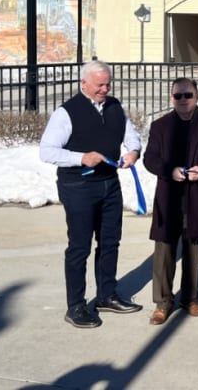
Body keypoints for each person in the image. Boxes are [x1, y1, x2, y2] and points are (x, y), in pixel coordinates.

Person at [39, 60, 144, 329]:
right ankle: (75, 305)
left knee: (110, 242)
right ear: (83, 83)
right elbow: (47, 151)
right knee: (79, 247)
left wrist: (133, 152)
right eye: (99, 85)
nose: (104, 89)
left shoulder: (114, 107)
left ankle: (106, 295)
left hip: (110, 184)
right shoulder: (66, 113)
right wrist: (81, 158)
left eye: (108, 84)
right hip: (78, 187)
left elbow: (132, 138)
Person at [142, 77, 198, 326]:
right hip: (169, 197)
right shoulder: (160, 125)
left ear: (197, 96)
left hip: (197, 194)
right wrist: (169, 170)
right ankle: (162, 302)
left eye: (188, 95)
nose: (183, 100)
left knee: (194, 248)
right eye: (178, 96)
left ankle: (190, 298)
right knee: (164, 250)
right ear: (171, 98)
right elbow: (150, 158)